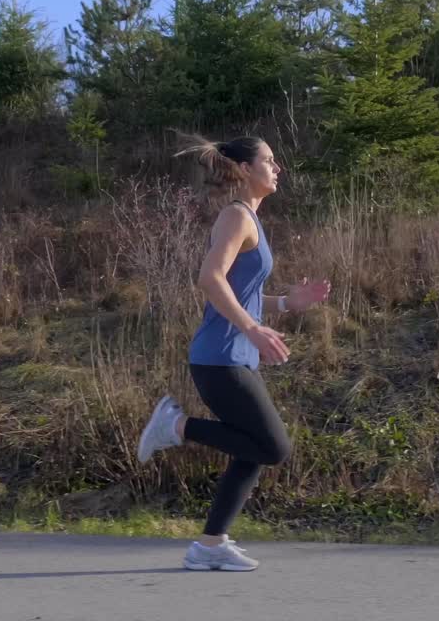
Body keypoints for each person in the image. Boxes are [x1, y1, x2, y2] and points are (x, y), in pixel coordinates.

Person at [135, 134, 331, 572]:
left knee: (253, 450)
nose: (277, 168)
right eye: (269, 160)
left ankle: (209, 545)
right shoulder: (236, 216)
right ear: (244, 169)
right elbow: (210, 278)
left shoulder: (253, 222)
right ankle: (176, 425)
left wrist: (284, 305)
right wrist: (253, 327)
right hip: (219, 357)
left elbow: (245, 293)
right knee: (274, 448)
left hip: (234, 356)